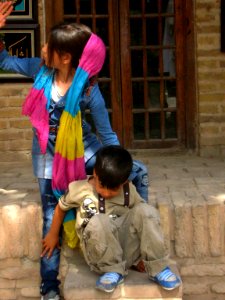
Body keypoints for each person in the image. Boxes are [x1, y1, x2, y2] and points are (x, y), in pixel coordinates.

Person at [0, 13, 149, 300]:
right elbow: (3, 60)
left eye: (49, 46)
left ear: (65, 57)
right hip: (47, 157)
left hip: (85, 151)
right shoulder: (40, 70)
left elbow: (107, 137)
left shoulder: (89, 89)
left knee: (138, 173)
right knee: (50, 218)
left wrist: (115, 171)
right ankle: (49, 285)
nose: (43, 49)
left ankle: (134, 251)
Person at [41, 145, 181, 294]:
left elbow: (143, 220)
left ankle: (158, 268)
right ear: (95, 173)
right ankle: (112, 270)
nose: (106, 193)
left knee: (147, 211)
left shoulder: (129, 190)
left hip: (125, 249)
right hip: (98, 251)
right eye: (102, 186)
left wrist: (140, 255)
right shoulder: (79, 189)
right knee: (99, 220)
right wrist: (53, 234)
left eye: (113, 189)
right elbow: (61, 207)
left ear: (125, 182)